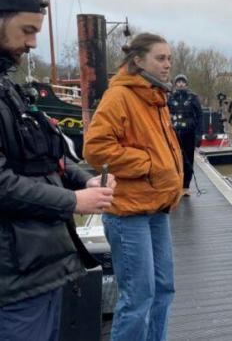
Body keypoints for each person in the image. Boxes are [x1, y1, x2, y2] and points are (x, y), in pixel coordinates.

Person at [0, 0, 115, 341]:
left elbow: (52, 155)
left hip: (37, 267)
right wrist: (74, 201)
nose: (33, 43)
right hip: (13, 279)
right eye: (27, 30)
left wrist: (84, 179)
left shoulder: (9, 90)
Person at [83, 33, 183, 341]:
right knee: (138, 297)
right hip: (128, 212)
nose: (167, 65)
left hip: (157, 207)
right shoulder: (120, 96)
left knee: (163, 288)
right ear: (138, 61)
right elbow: (96, 148)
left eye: (169, 58)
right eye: (160, 58)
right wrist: (149, 164)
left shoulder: (156, 96)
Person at [167, 73, 202, 196]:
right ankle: (177, 185)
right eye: (178, 82)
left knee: (188, 160)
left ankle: (186, 187)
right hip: (175, 134)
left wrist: (199, 135)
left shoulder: (193, 98)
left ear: (186, 84)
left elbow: (199, 116)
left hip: (189, 133)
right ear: (175, 84)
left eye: (183, 82)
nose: (181, 84)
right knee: (175, 159)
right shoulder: (170, 98)